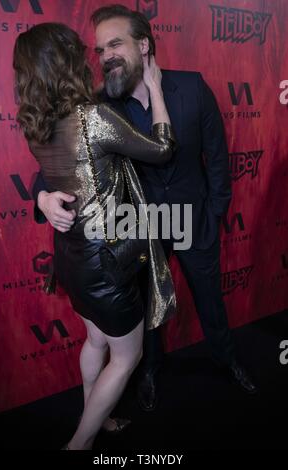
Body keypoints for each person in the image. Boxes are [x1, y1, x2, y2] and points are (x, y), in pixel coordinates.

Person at [33, 5, 257, 413]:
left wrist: (215, 212)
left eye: (115, 44)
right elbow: (53, 169)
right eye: (100, 50)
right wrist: (43, 198)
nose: (106, 57)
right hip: (137, 229)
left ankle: (228, 360)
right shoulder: (98, 106)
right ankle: (149, 371)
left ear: (144, 45)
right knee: (147, 311)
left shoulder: (191, 88)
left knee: (210, 300)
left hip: (193, 221)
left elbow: (217, 157)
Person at [13, 22, 176, 450]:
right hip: (106, 264)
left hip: (71, 258)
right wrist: (156, 89)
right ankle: (80, 442)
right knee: (127, 357)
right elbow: (161, 150)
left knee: (96, 341)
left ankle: (95, 415)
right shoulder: (93, 118)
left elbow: (55, 174)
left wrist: (44, 196)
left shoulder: (37, 123)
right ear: (67, 63)